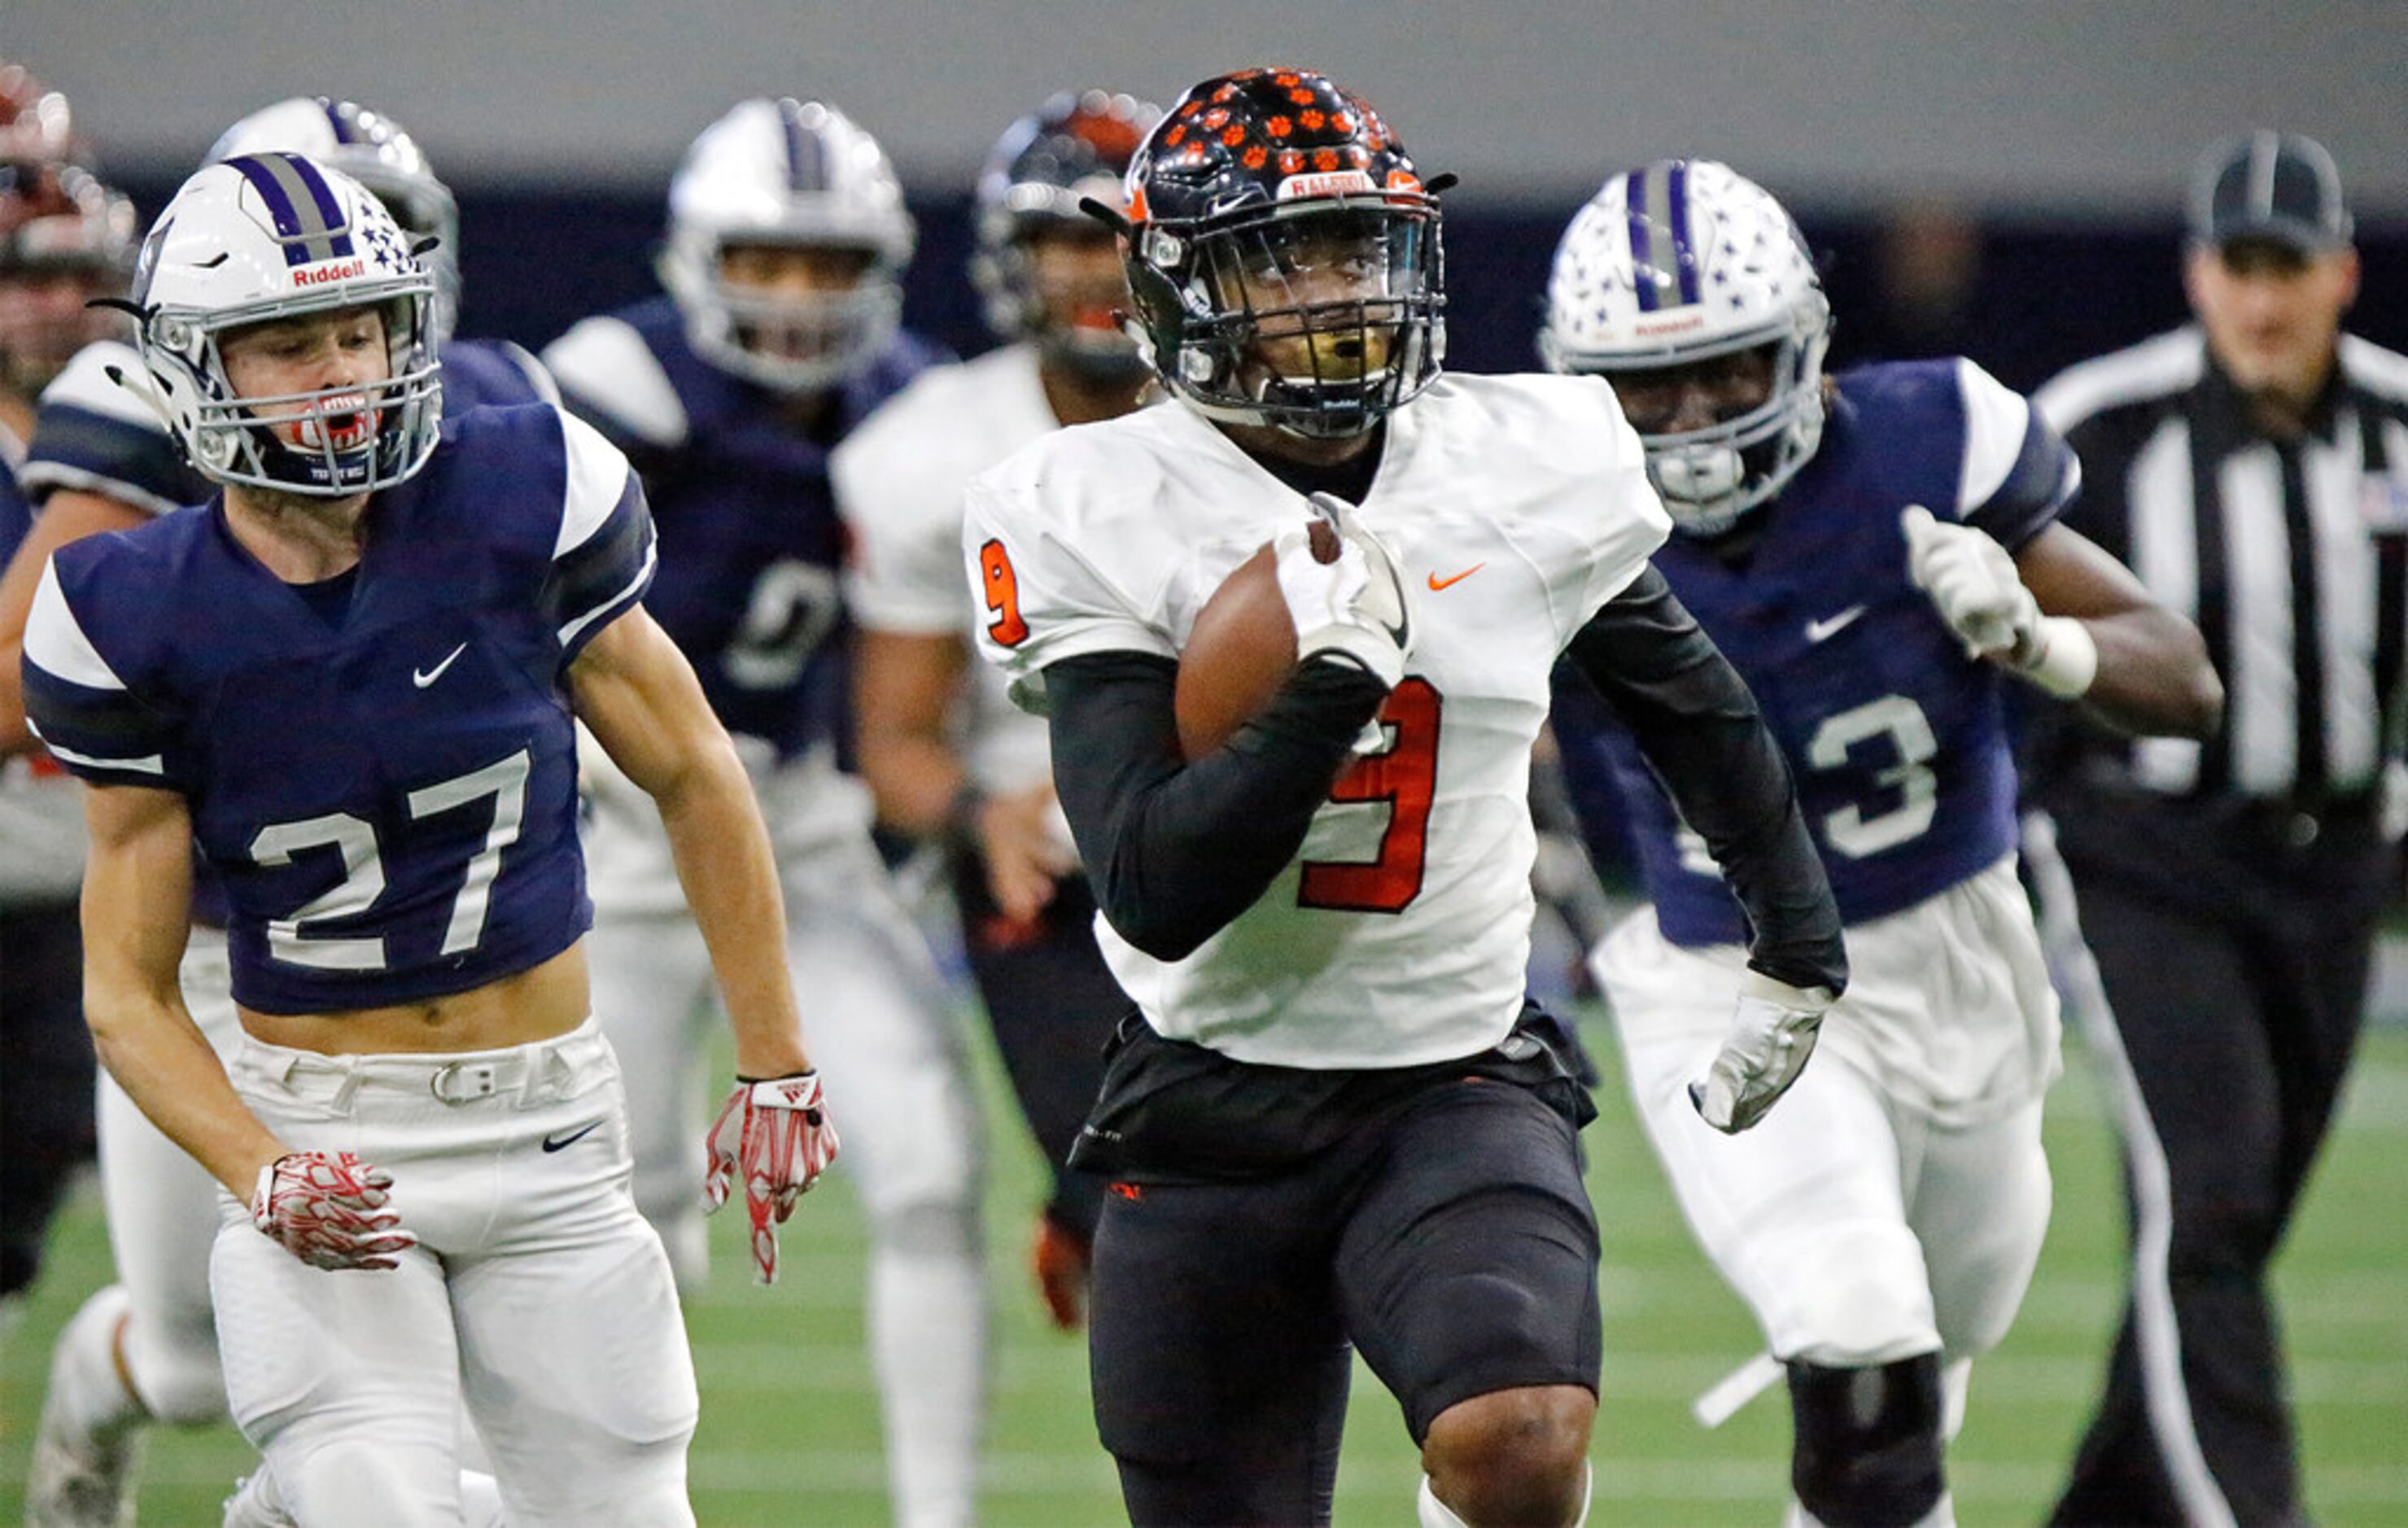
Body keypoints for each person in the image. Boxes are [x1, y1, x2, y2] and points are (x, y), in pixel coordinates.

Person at [964, 68, 1848, 1528]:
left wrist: (1797, 941)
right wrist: (1328, 683)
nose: (1333, 296)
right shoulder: (1090, 503)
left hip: (1456, 1072)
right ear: (1176, 287)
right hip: (1210, 1097)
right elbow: (1155, 884)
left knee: (1522, 1432)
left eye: (1355, 250)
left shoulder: (1525, 458)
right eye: (1281, 258)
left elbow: (1688, 701)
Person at [20, 150, 837, 1526]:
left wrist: (776, 1060)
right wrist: (257, 1166)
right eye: (290, 344)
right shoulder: (125, 608)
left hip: (555, 1129)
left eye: (361, 331)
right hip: (322, 1125)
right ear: (189, 369)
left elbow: (697, 774)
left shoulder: (525, 486)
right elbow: (128, 990)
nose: (343, 371)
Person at [1536, 159, 2222, 1528]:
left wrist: (2045, 640)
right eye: (1642, 390)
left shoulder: (1931, 441)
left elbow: (2186, 679)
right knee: (1858, 1315)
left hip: (1963, 958)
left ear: (1802, 346)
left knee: (1928, 1368)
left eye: (1727, 372)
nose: (1690, 422)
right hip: (1723, 981)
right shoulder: (1549, 507)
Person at [9, 97, 563, 1526]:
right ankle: (95, 1385)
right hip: (219, 957)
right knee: (193, 1368)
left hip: (448, 947)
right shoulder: (139, 402)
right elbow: (20, 693)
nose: (340, 347)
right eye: (284, 320)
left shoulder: (501, 407)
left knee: (458, 1401)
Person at [541, 97, 982, 1526]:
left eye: (827, 265)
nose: (796, 297)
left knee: (924, 1164)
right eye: (765, 260)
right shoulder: (619, 386)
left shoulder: (920, 411)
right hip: (608, 838)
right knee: (626, 1219)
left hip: (797, 832)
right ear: (695, 256)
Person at [2025, 130, 2407, 1528]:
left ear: (2341, 275)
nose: (2262, 300)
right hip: (2146, 860)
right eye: (2238, 268)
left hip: (2336, 866)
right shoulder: (2100, 426)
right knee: (2211, 1202)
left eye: (2288, 269)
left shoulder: (2399, 427)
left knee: (2229, 1229)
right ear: (2196, 274)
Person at [833, 87, 1156, 1334]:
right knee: (1146, 1211)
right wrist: (980, 815)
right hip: (1051, 877)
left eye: (1124, 235)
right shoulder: (928, 457)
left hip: (1248, 844)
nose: (1099, 270)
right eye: (1068, 237)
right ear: (1013, 257)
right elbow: (897, 744)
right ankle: (1089, 1209)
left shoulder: (1254, 426)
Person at [0, 126, 135, 1344]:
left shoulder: (144, 445)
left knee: (32, 1171)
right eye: (26, 278)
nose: (59, 307)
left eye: (81, 276)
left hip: (85, 870)